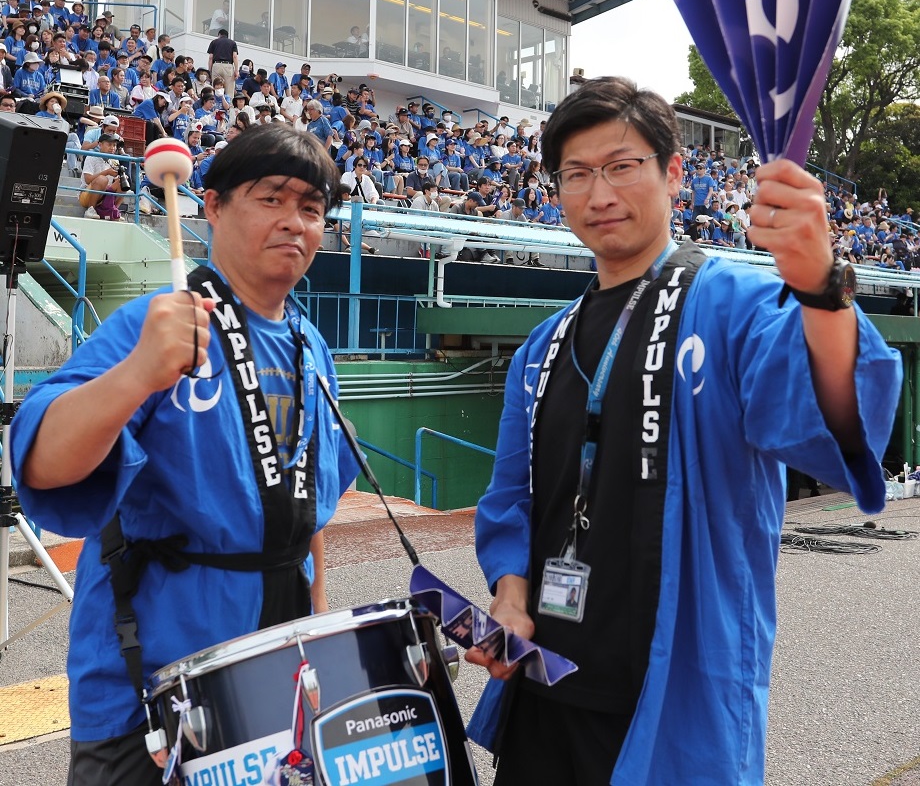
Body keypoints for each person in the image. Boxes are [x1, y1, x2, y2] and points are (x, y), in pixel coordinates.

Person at [466, 76, 901, 785]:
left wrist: (823, 287)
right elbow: (511, 497)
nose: (599, 193)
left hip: (675, 691)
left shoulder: (734, 304)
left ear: (673, 174)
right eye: (576, 174)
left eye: (621, 166)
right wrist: (509, 594)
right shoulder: (542, 347)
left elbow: (830, 424)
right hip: (543, 685)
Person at [11, 124, 360, 784]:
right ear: (214, 206)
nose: (295, 222)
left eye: (312, 208)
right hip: (150, 690)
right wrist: (138, 373)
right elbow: (41, 462)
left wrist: (316, 629)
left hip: (275, 678)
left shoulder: (312, 346)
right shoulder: (156, 323)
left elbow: (306, 510)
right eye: (271, 199)